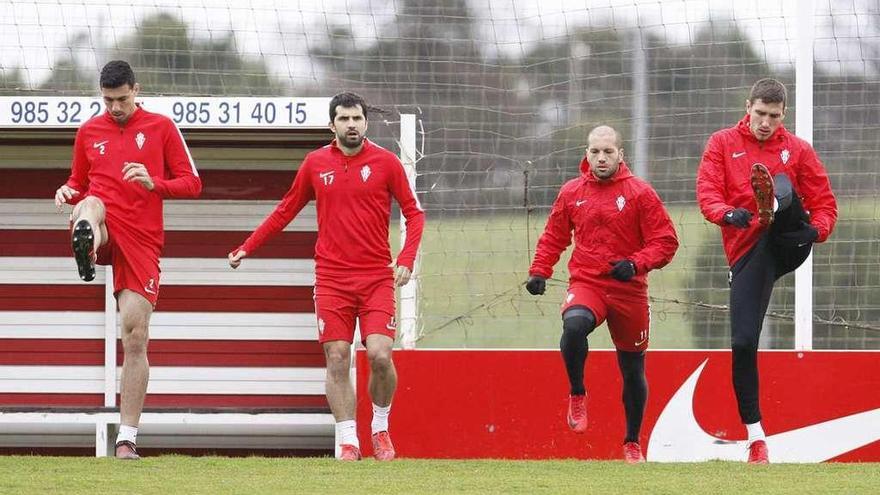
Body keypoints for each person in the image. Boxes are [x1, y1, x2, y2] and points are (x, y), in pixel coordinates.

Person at [228, 92, 425, 461]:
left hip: (375, 278)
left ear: (366, 122)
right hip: (332, 279)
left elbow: (414, 214)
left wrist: (407, 258)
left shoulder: (386, 163)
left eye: (357, 119)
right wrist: (248, 246)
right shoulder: (315, 163)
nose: (352, 125)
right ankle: (348, 440)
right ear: (331, 125)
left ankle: (379, 428)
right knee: (337, 357)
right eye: (344, 119)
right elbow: (286, 209)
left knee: (380, 355)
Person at [53, 60, 202, 459]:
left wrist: (156, 183)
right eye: (107, 100)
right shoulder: (88, 131)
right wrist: (65, 191)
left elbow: (193, 183)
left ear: (136, 90)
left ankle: (127, 439)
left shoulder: (161, 128)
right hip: (103, 217)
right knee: (90, 203)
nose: (115, 107)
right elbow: (76, 180)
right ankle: (85, 245)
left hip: (142, 237)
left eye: (121, 99)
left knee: (135, 337)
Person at [696, 78, 837, 464]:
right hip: (748, 248)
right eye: (759, 114)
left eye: (773, 116)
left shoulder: (798, 149)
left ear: (783, 115)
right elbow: (708, 193)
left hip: (789, 241)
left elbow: (826, 203)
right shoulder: (722, 143)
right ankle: (755, 438)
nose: (765, 123)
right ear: (748, 106)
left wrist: (817, 230)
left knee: (785, 185)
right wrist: (727, 213)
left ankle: (774, 202)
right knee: (743, 343)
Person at [526, 125, 679, 463]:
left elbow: (666, 242)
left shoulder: (640, 193)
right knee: (574, 326)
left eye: (608, 152)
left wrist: (636, 264)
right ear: (586, 154)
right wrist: (540, 271)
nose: (601, 158)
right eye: (595, 152)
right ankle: (578, 393)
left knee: (633, 369)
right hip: (588, 283)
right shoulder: (571, 192)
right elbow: (554, 236)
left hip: (629, 292)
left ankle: (631, 442)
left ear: (620, 155)